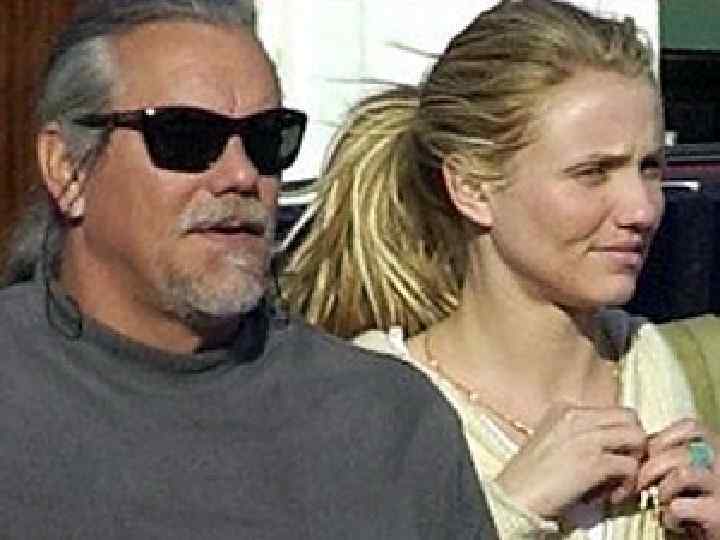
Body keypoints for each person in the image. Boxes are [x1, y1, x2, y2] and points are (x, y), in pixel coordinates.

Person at [0, 1, 499, 538]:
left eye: (266, 139)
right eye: (186, 137)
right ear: (68, 168)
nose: (240, 175)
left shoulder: (385, 422)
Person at [283, 1, 720, 538]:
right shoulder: (367, 402)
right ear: (472, 189)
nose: (642, 209)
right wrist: (510, 508)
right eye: (592, 173)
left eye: (649, 167)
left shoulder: (689, 370)